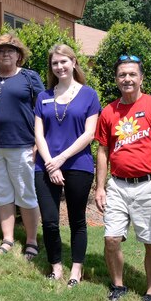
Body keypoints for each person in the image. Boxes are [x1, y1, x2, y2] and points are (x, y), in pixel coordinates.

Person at [94, 55, 151, 301]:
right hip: (118, 186)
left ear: (141, 78)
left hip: (149, 185)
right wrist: (99, 187)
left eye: (132, 74)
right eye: (122, 75)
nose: (127, 79)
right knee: (111, 239)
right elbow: (102, 151)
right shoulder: (109, 111)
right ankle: (118, 286)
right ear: (116, 79)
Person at [34, 44, 101, 286]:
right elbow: (39, 135)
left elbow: (89, 134)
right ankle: (56, 267)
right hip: (45, 165)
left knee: (77, 219)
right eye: (55, 63)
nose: (60, 66)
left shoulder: (89, 95)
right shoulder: (44, 96)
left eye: (64, 61)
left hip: (78, 165)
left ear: (73, 62)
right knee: (50, 221)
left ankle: (76, 269)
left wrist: (60, 160)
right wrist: (51, 165)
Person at [0, 33, 44, 261]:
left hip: (23, 145)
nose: (5, 53)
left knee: (26, 194)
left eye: (10, 50)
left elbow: (42, 112)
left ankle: (31, 240)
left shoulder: (30, 77)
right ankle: (8, 238)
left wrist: (40, 141)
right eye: (0, 51)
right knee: (2, 194)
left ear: (19, 55)